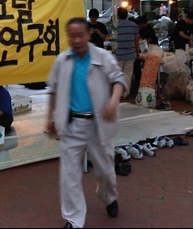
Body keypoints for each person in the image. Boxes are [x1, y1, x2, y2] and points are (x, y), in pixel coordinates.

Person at [45, 17, 127, 229]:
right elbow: (52, 89)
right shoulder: (62, 60)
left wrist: (112, 102)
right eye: (72, 36)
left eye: (81, 34)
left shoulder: (102, 56)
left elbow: (119, 80)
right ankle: (73, 219)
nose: (77, 39)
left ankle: (109, 197)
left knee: (105, 172)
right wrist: (49, 117)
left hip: (99, 124)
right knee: (69, 176)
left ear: (88, 34)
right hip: (72, 125)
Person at [129, 16, 159, 96]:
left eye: (140, 24)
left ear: (143, 23)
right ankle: (138, 79)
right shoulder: (141, 29)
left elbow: (149, 40)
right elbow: (140, 39)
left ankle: (149, 80)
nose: (139, 26)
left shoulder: (149, 29)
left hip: (152, 49)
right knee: (136, 62)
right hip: (143, 48)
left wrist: (143, 46)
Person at [116, 7, 140, 99]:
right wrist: (137, 51)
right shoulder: (133, 25)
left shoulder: (116, 25)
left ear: (118, 15)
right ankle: (125, 93)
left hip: (119, 54)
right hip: (131, 53)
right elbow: (136, 40)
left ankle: (118, 92)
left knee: (118, 74)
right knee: (128, 74)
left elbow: (113, 39)